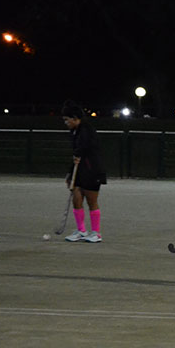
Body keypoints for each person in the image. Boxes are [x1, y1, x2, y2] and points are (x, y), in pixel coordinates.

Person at [61, 100, 106, 243]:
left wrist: (78, 154)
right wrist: (70, 172)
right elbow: (75, 153)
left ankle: (96, 233)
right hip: (79, 170)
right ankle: (81, 230)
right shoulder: (74, 131)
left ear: (75, 118)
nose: (66, 123)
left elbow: (84, 146)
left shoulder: (86, 129)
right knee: (77, 198)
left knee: (91, 201)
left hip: (93, 170)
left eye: (67, 120)